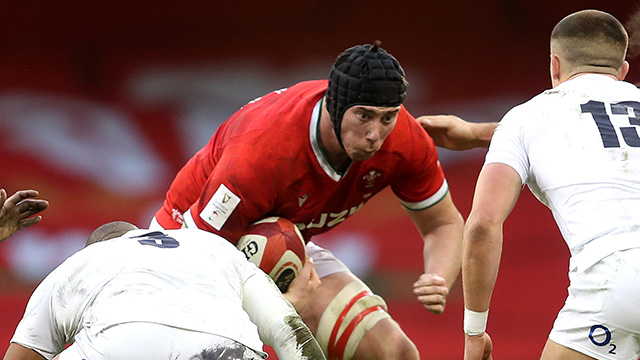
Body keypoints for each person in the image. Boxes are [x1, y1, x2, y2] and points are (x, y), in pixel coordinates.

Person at [150, 41, 465, 360]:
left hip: (280, 243)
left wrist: (438, 276)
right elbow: (193, 265)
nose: (375, 134)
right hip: (188, 245)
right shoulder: (262, 155)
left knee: (394, 353)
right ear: (335, 105)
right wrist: (274, 312)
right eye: (364, 116)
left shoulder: (404, 141)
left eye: (387, 118)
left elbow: (443, 222)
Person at [461, 9, 640, 360]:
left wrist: (474, 332)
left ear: (554, 66)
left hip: (615, 279)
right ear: (622, 72)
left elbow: (483, 224)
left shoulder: (524, 118)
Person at [3, 221, 326, 360]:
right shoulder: (212, 245)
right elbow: (289, 331)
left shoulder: (77, 264)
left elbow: (23, 355)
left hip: (124, 346)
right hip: (227, 349)